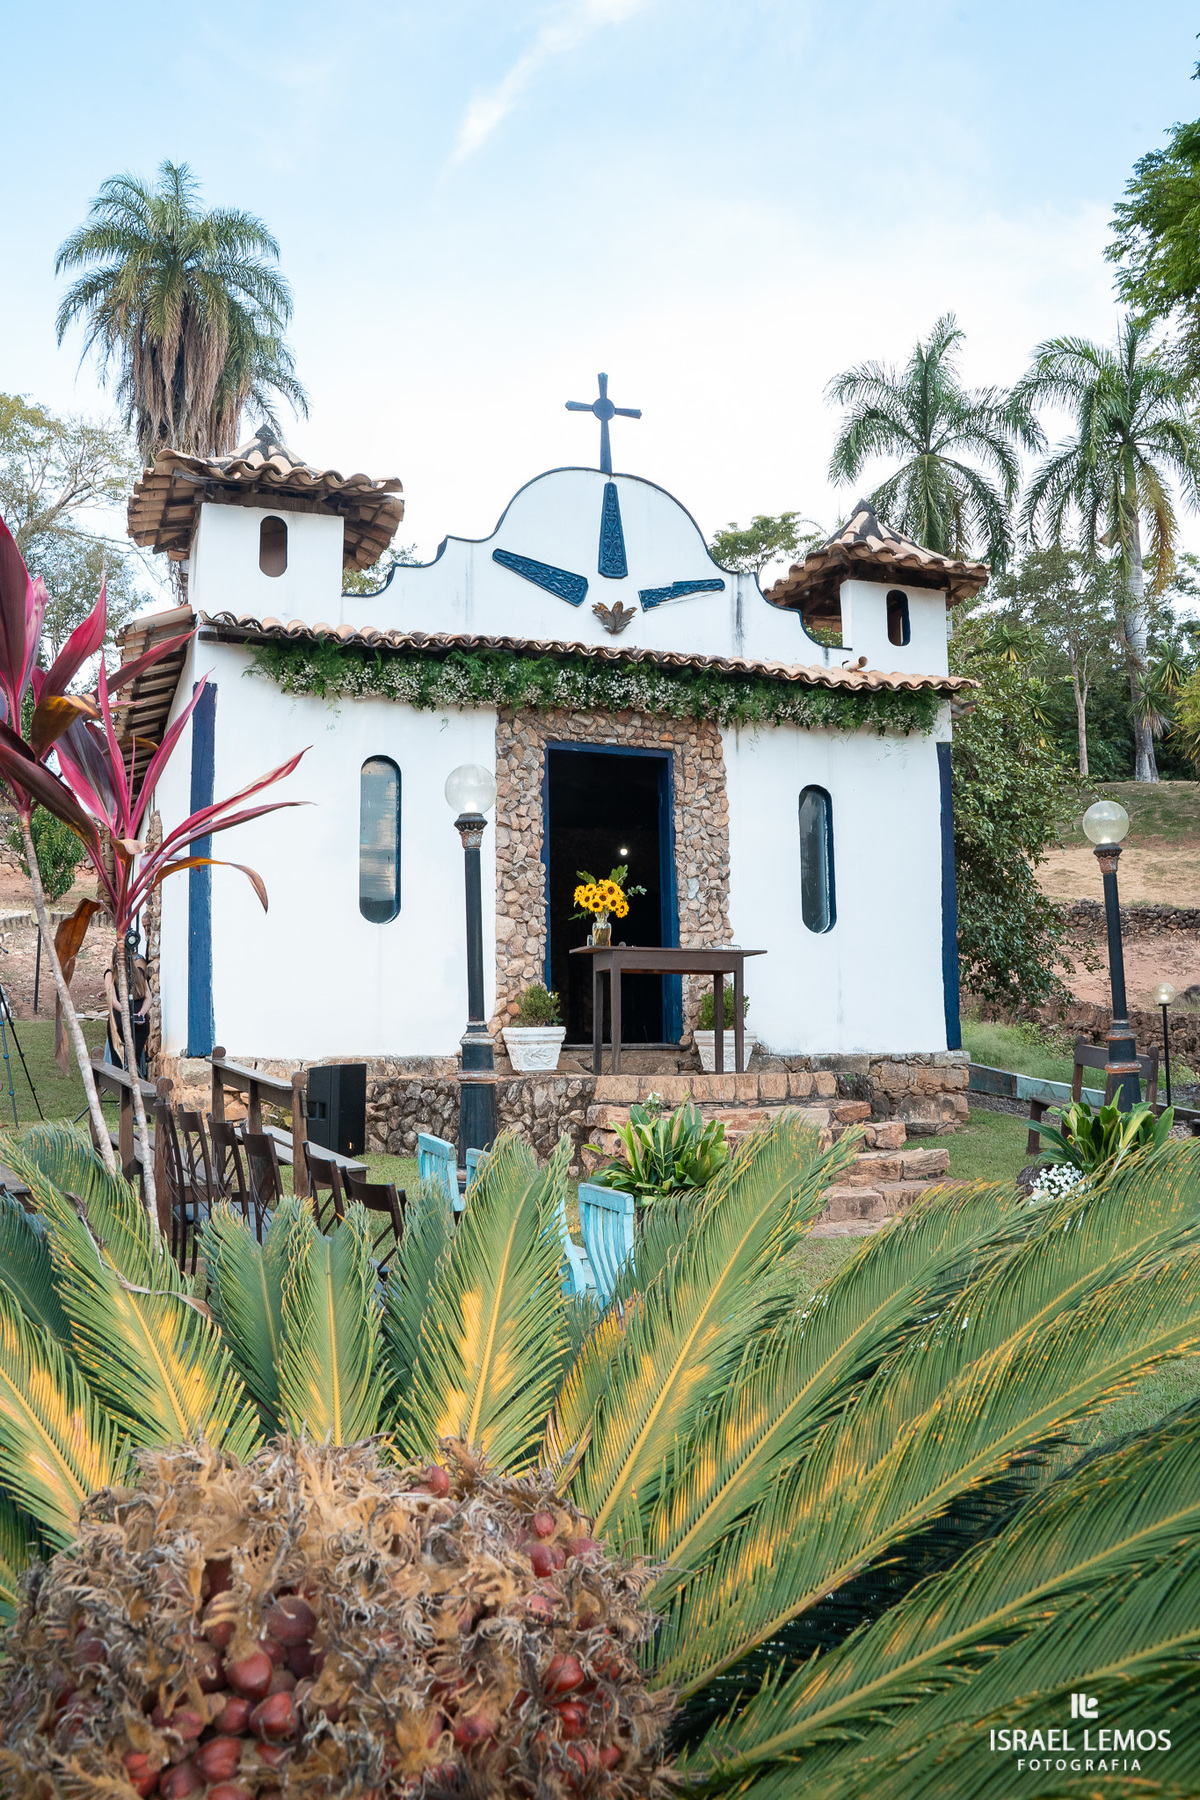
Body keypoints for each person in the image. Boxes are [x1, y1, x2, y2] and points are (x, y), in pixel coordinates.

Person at [103, 941, 151, 1076]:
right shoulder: (139, 973)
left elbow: (113, 1000)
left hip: (120, 1020)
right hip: (139, 1020)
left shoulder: (110, 974)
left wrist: (128, 1013)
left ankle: (122, 1090)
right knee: (133, 1060)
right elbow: (148, 997)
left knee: (119, 1062)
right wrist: (141, 1013)